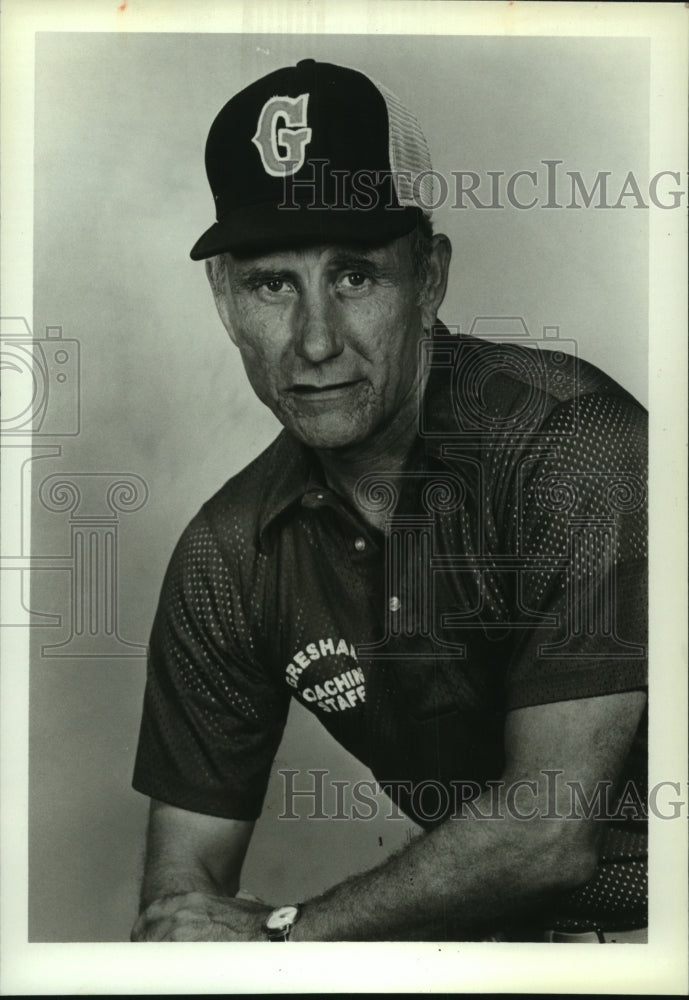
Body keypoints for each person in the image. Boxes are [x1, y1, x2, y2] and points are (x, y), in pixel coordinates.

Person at [131, 59, 648, 943]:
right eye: (271, 283)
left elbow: (548, 834)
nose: (316, 340)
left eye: (355, 276)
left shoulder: (573, 443)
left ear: (430, 277)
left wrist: (280, 936)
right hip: (493, 945)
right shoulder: (227, 554)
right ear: (223, 299)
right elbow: (180, 906)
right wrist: (193, 945)